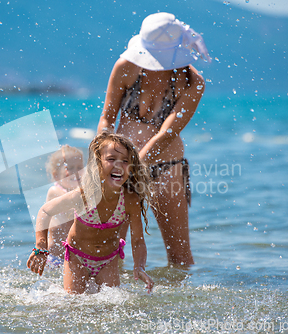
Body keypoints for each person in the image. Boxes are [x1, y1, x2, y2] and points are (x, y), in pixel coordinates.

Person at [97, 12, 210, 266]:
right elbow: (106, 119)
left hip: (166, 168)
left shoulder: (193, 83)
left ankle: (178, 306)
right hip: (118, 169)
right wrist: (102, 156)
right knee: (108, 254)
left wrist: (130, 165)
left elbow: (166, 134)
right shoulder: (125, 67)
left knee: (180, 257)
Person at [27, 132, 154, 294]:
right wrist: (40, 246)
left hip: (108, 261)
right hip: (76, 258)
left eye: (125, 161)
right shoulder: (84, 195)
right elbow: (45, 210)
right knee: (74, 304)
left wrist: (140, 267)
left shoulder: (130, 200)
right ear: (97, 163)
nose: (118, 165)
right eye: (111, 159)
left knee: (111, 306)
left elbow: (137, 241)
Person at [44, 145, 84, 268]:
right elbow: (74, 203)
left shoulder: (82, 192)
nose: (76, 172)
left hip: (77, 260)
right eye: (70, 168)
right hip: (56, 259)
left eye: (80, 168)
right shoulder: (55, 192)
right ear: (56, 175)